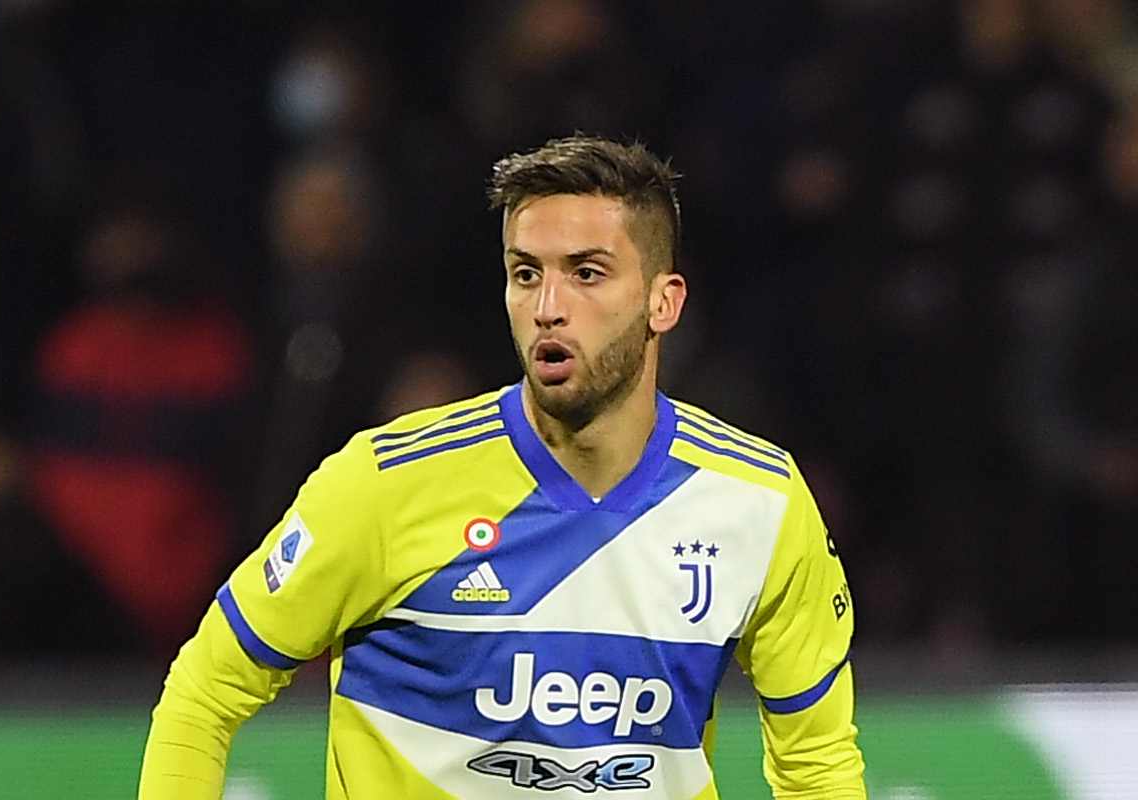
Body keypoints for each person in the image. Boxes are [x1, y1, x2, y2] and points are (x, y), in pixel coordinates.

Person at [138, 135, 866, 798]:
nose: (549, 306)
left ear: (662, 302)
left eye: (586, 273)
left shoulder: (757, 501)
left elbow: (819, 766)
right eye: (526, 274)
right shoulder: (387, 485)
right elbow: (207, 691)